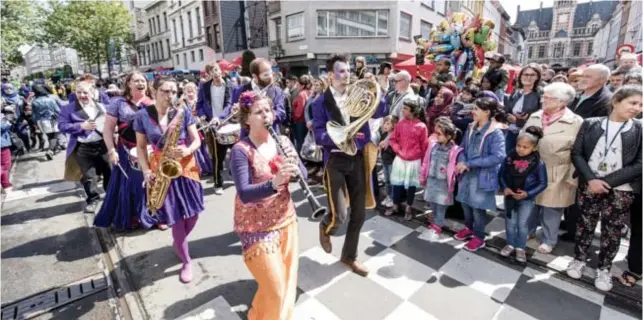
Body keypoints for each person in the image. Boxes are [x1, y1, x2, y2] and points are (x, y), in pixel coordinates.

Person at [230, 91, 305, 320]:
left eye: (268, 110)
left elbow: (302, 174)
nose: (266, 115)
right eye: (258, 111)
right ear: (247, 119)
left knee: (286, 281)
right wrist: (274, 183)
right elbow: (244, 193)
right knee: (275, 288)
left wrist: (296, 163)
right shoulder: (240, 150)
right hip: (256, 228)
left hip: (286, 219)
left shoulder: (282, 140)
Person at [313, 54, 388, 277]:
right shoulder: (320, 102)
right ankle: (325, 226)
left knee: (359, 213)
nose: (347, 75)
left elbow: (380, 111)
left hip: (357, 157)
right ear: (330, 75)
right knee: (339, 215)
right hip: (335, 159)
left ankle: (349, 257)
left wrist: (379, 90)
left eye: (348, 71)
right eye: (342, 71)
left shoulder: (360, 94)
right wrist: (338, 138)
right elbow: (318, 134)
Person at [566, 85, 642, 292]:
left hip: (621, 189)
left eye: (641, 105)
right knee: (585, 224)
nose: (637, 108)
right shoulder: (591, 124)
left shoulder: (639, 129)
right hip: (589, 185)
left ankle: (605, 268)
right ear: (616, 101)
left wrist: (606, 182)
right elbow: (577, 153)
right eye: (633, 102)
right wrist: (591, 180)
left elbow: (639, 163)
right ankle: (579, 259)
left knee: (612, 230)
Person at [134, 77, 205, 283]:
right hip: (161, 168)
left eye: (174, 92)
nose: (170, 96)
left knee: (194, 214)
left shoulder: (182, 112)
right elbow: (140, 146)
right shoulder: (142, 116)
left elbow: (196, 140)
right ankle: (186, 260)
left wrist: (187, 149)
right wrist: (146, 170)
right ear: (154, 91)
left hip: (186, 166)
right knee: (176, 218)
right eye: (165, 91)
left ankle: (178, 241)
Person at [522, 82, 583, 253]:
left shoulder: (575, 121)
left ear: (562, 102)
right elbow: (522, 138)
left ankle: (549, 240)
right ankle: (529, 231)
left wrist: (573, 176)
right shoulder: (535, 116)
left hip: (558, 171)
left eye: (548, 98)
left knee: (552, 209)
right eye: (544, 96)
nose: (543, 100)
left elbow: (579, 152)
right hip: (532, 169)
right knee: (531, 203)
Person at [94, 71, 160, 230]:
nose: (140, 83)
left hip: (150, 150)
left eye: (143, 80)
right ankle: (133, 216)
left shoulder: (153, 102)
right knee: (131, 184)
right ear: (128, 84)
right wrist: (111, 150)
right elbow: (108, 130)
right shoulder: (118, 103)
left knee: (152, 183)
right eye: (136, 80)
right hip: (125, 149)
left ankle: (155, 215)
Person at [453, 97, 506, 252]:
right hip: (466, 175)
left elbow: (498, 157)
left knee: (478, 208)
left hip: (482, 177)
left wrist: (469, 164)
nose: (472, 111)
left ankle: (479, 236)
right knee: (465, 203)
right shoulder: (471, 127)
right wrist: (462, 161)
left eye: (476, 109)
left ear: (487, 112)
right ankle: (468, 228)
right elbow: (462, 147)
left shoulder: (496, 133)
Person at [58, 82, 111, 213]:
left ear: (92, 93)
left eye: (85, 92)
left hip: (103, 144)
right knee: (89, 176)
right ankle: (92, 199)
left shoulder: (103, 107)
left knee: (109, 172)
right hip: (83, 147)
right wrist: (80, 126)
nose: (82, 95)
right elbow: (61, 126)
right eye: (79, 92)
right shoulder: (68, 108)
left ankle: (110, 197)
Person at [499, 126, 547, 262]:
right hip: (509, 196)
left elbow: (543, 183)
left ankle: (520, 247)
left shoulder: (538, 164)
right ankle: (510, 244)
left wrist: (528, 193)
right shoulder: (509, 158)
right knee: (510, 222)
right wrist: (505, 187)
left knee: (522, 223)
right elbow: (501, 174)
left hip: (526, 199)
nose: (521, 149)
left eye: (525, 147)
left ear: (534, 148)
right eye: (519, 145)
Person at [419, 117, 463, 241]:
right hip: (432, 180)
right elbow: (426, 163)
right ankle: (434, 220)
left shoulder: (455, 151)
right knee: (432, 202)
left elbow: (456, 166)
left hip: (444, 183)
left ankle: (438, 225)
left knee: (441, 205)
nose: (436, 136)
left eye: (439, 134)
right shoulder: (433, 146)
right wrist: (423, 177)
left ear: (449, 136)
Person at [385, 99, 428, 220]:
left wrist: (423, 162)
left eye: (405, 109)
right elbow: (393, 139)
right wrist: (398, 150)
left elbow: (424, 146)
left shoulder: (421, 126)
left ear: (413, 111)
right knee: (396, 184)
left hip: (414, 161)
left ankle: (409, 208)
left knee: (411, 186)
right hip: (400, 158)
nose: (402, 110)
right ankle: (395, 206)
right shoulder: (400, 123)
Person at [196, 62, 233, 194]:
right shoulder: (204, 87)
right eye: (212, 71)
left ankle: (237, 176)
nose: (215, 73)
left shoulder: (230, 85)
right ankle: (218, 183)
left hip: (228, 123)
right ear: (209, 74)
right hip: (212, 126)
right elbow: (199, 105)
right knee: (217, 156)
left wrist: (220, 117)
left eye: (216, 70)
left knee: (237, 151)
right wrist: (202, 116)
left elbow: (229, 104)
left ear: (221, 70)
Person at [231, 58, 287, 136]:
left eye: (271, 73)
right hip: (248, 138)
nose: (270, 77)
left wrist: (268, 116)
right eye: (266, 75)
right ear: (255, 76)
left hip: (271, 137)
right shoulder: (239, 91)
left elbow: (282, 113)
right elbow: (236, 118)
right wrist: (236, 113)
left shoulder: (277, 91)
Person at [504, 64, 543, 154]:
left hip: (529, 136)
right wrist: (508, 117)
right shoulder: (516, 92)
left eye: (532, 75)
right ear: (520, 76)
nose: (528, 77)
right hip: (512, 132)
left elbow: (541, 117)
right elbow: (507, 110)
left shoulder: (540, 93)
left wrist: (519, 121)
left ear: (537, 77)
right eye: (525, 74)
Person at [183, 82, 213, 177]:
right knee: (196, 149)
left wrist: (202, 116)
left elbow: (204, 110)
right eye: (187, 88)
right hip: (189, 128)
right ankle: (199, 169)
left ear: (195, 90)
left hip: (201, 126)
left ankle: (209, 168)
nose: (190, 90)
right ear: (184, 91)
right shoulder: (183, 102)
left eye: (192, 88)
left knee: (205, 148)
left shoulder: (199, 100)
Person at [31, 85, 61, 160]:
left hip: (41, 121)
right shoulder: (50, 100)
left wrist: (35, 124)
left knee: (49, 136)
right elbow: (57, 110)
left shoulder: (34, 102)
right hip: (51, 120)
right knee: (55, 135)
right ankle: (50, 151)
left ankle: (53, 149)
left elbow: (34, 115)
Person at [378, 115, 397, 208]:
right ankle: (388, 196)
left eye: (388, 123)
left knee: (392, 180)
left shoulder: (394, 136)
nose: (385, 125)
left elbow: (395, 150)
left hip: (391, 161)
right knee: (387, 181)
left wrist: (386, 147)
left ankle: (393, 198)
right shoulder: (384, 134)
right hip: (384, 160)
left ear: (393, 125)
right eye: (385, 123)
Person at [292, 75, 312, 153]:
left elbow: (300, 110)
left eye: (298, 84)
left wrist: (294, 118)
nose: (297, 86)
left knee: (300, 141)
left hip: (300, 121)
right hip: (308, 121)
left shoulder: (301, 94)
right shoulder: (311, 92)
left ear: (303, 85)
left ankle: (302, 159)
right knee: (307, 141)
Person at [1, 114, 13, 193]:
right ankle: (6, 185)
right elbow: (2, 127)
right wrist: (8, 122)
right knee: (5, 165)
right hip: (2, 145)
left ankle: (6, 185)